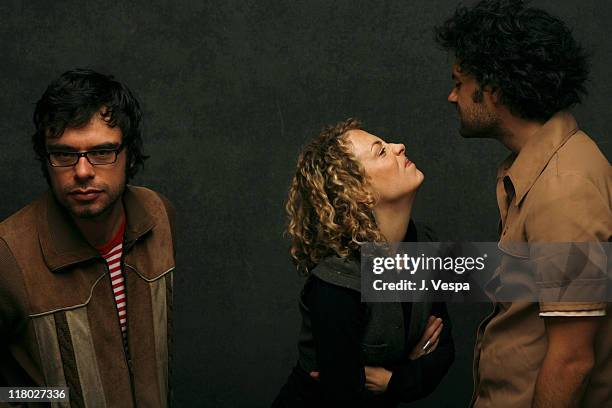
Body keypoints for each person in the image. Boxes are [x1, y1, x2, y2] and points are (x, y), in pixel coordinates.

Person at [436, 1, 612, 407]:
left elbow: (572, 361)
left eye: (459, 82)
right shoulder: (538, 172)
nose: (451, 96)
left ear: (493, 89)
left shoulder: (566, 188)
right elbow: (521, 284)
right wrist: (380, 274)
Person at [0, 69, 175, 407]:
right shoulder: (7, 255)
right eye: (64, 154)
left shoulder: (160, 217)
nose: (82, 171)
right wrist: (53, 397)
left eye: (102, 152)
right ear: (47, 159)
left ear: (129, 155)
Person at [272, 119, 454, 407]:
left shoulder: (425, 246)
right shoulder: (336, 282)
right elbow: (343, 395)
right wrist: (409, 367)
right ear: (358, 192)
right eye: (380, 152)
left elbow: (443, 351)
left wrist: (390, 381)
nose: (399, 146)